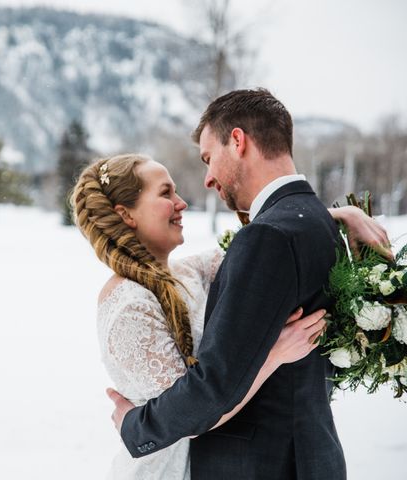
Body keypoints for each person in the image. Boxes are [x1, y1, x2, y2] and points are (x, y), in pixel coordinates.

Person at [104, 88, 391, 479]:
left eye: (208, 159)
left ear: (237, 141)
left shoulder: (266, 237)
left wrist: (135, 428)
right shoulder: (316, 224)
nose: (207, 179)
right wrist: (342, 213)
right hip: (309, 457)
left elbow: (214, 387)